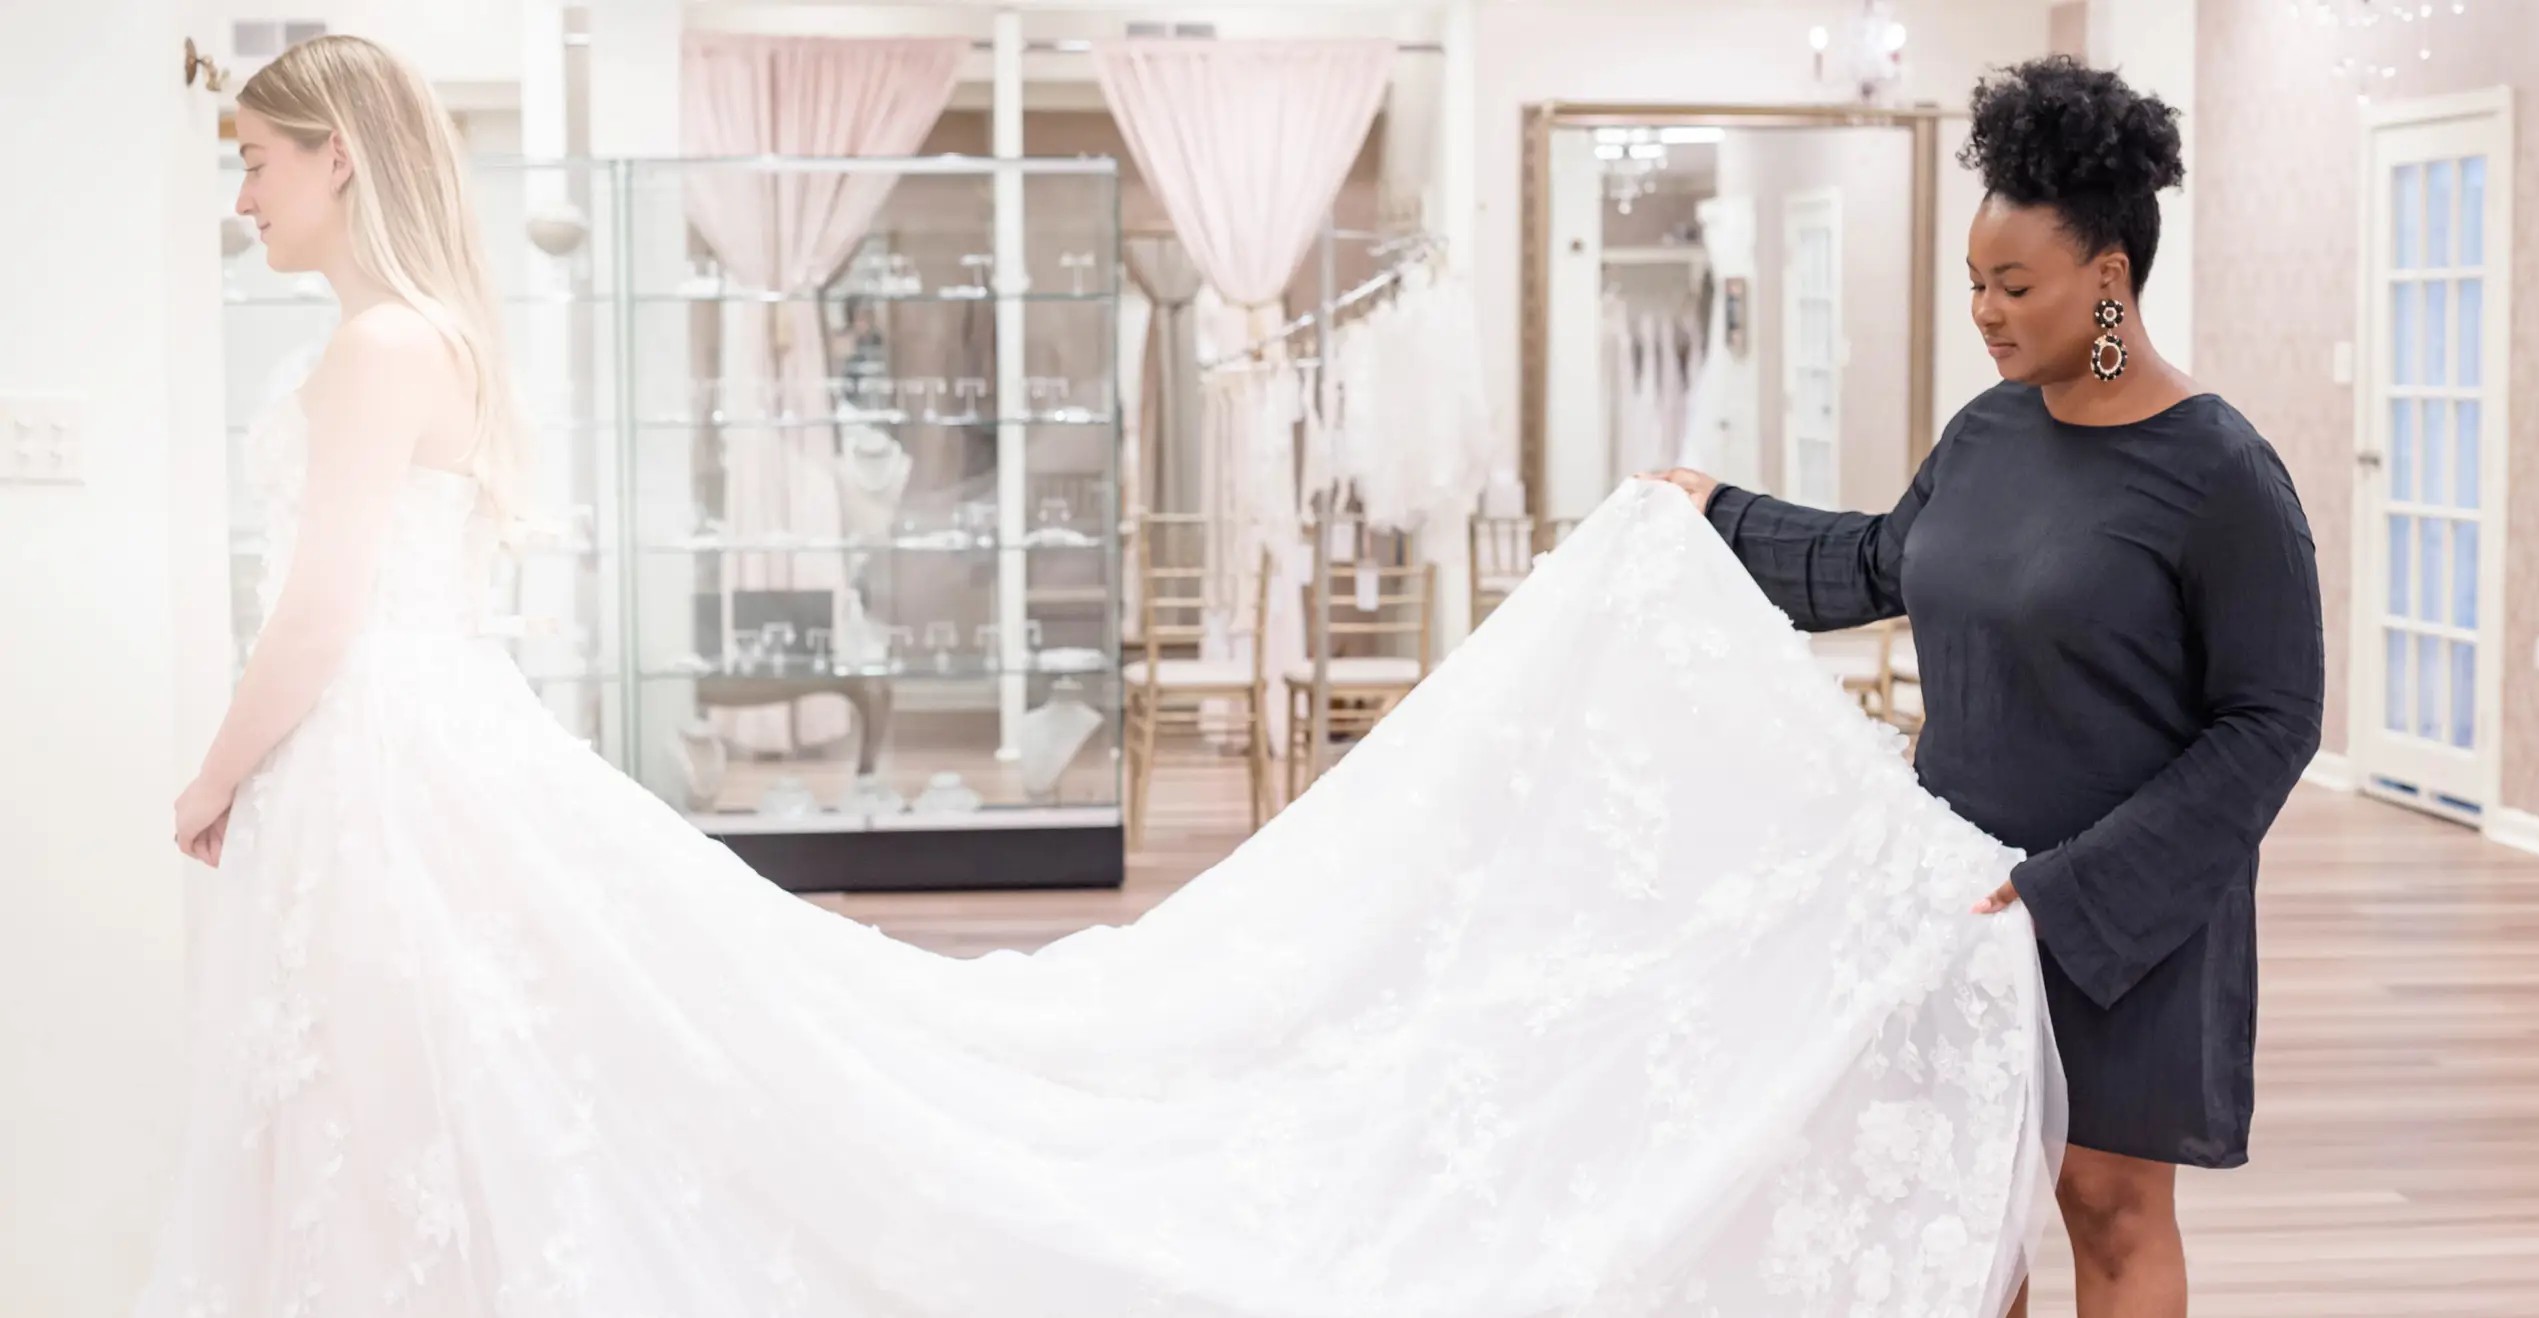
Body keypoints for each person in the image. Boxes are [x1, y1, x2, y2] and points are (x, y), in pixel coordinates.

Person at [146, 34, 2067, 1318]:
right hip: (423, 756)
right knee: (467, 1075)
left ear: (330, 158)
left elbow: (316, 613)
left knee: (459, 1077)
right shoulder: (425, 339)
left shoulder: (378, 345)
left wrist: (213, 775)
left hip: (385, 758)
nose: (241, 195)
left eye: (251, 160)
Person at [1645, 56, 2324, 1317]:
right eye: (1973, 282)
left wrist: (2069, 890)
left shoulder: (2219, 471)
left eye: (2013, 285)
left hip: (2126, 912)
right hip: (1958, 894)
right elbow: (1875, 563)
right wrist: (1713, 514)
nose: (1984, 311)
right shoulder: (1986, 433)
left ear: (2108, 278)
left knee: (2107, 1208)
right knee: (1962, 1204)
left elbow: (2271, 719)